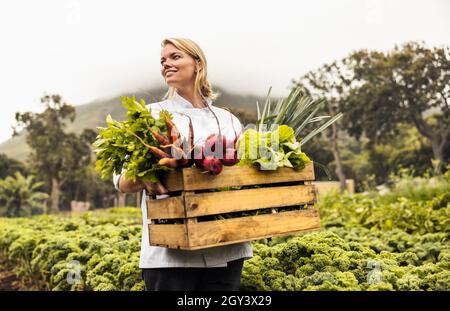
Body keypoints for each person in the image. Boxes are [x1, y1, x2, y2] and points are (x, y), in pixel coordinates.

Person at [113, 38, 253, 291]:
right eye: (163, 60)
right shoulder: (152, 115)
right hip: (170, 255)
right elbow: (122, 182)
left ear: (198, 64)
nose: (167, 63)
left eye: (175, 57)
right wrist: (148, 176)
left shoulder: (228, 119)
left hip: (227, 247)